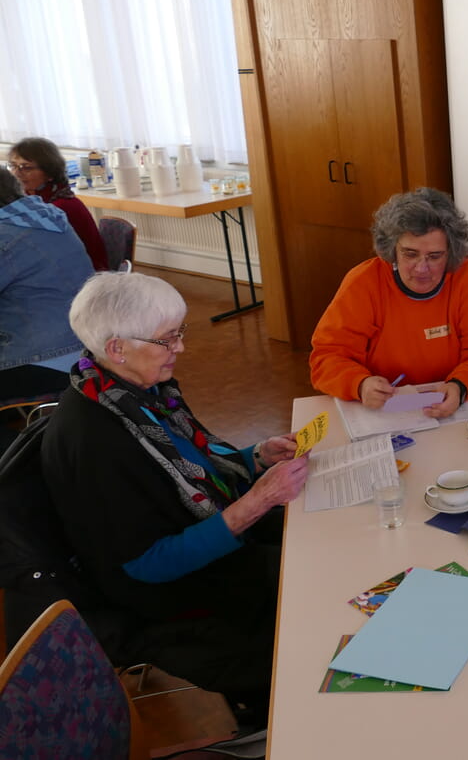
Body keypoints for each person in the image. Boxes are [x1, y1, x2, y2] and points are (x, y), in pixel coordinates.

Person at [41, 272, 310, 723]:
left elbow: (193, 472)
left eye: (178, 333)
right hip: (169, 592)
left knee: (317, 549)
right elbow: (145, 564)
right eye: (167, 339)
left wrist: (255, 456)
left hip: (204, 548)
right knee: (313, 602)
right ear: (117, 349)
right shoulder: (96, 441)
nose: (180, 348)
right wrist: (256, 503)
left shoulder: (136, 394)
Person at [310, 188, 468, 417]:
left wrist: (460, 386)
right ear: (392, 250)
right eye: (410, 254)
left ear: (452, 253)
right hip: (382, 412)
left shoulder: (467, 280)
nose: (421, 268)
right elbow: (327, 357)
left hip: (450, 409)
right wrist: (360, 384)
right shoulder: (363, 283)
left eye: (435, 256)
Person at [0, 168, 94, 422]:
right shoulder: (44, 215)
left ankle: (14, 458)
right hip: (86, 346)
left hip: (48, 360)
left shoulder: (4, 237)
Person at [8, 137, 109, 271]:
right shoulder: (34, 197)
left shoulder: (59, 207)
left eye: (26, 167)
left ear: (49, 173)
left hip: (84, 278)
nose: (16, 173)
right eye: (13, 166)